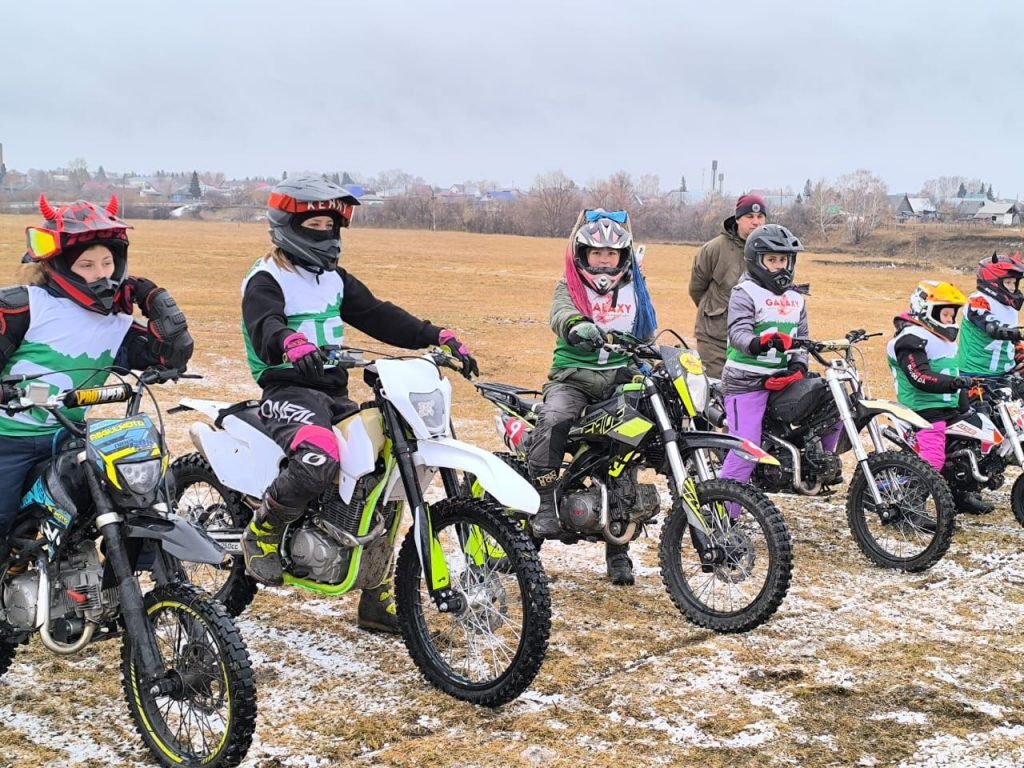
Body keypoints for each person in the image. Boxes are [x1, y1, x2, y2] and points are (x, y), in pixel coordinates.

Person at [239, 175, 478, 633]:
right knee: (319, 455)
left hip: (333, 394)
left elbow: (377, 314)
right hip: (287, 392)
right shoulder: (267, 279)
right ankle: (263, 531)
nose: (325, 233)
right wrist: (289, 341)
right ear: (287, 226)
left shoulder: (333, 279)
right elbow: (264, 324)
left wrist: (436, 335)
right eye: (314, 225)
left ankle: (375, 591)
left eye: (331, 225)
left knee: (387, 473)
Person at [0, 195, 193, 547]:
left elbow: (171, 356)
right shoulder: (24, 307)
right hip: (7, 440)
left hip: (67, 436)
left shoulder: (116, 320)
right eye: (87, 265)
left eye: (108, 262)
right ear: (59, 265)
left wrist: (154, 298)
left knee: (134, 494)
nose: (101, 274)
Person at [527, 208, 657, 586]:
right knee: (554, 418)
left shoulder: (635, 288)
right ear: (583, 254)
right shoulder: (569, 285)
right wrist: (577, 325)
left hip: (620, 378)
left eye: (611, 254)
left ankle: (618, 550)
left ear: (622, 256)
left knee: (624, 455)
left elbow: (646, 331)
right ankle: (544, 501)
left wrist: (650, 359)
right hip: (574, 377)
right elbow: (560, 314)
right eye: (596, 253)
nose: (603, 261)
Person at [718, 224, 842, 489]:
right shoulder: (745, 292)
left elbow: (802, 339)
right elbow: (737, 334)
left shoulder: (796, 298)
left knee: (833, 405)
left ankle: (818, 464)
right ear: (756, 260)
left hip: (782, 379)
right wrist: (761, 343)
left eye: (783, 260)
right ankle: (722, 508)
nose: (779, 266)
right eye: (771, 260)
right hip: (746, 381)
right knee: (746, 451)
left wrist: (797, 368)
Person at [886, 280, 991, 514]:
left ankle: (961, 494)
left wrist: (967, 405)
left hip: (948, 407)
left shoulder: (944, 340)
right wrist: (954, 384)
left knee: (973, 446)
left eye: (952, 315)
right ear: (926, 311)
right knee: (933, 459)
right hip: (923, 409)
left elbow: (954, 373)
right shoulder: (910, 339)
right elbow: (919, 376)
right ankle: (911, 505)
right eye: (944, 314)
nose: (949, 319)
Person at [689, 194, 768, 379]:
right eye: (749, 216)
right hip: (714, 338)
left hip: (752, 338)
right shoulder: (714, 249)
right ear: (738, 218)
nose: (756, 222)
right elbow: (697, 289)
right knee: (716, 386)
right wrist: (716, 313)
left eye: (760, 217)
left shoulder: (770, 250)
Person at [957, 252, 1024, 377]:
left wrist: (1020, 352)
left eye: (1014, 282)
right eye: (1008, 282)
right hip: (975, 374)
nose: (1012, 287)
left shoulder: (1010, 306)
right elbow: (993, 328)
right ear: (993, 282)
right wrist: (1020, 333)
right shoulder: (978, 300)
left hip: (1004, 371)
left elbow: (1011, 340)